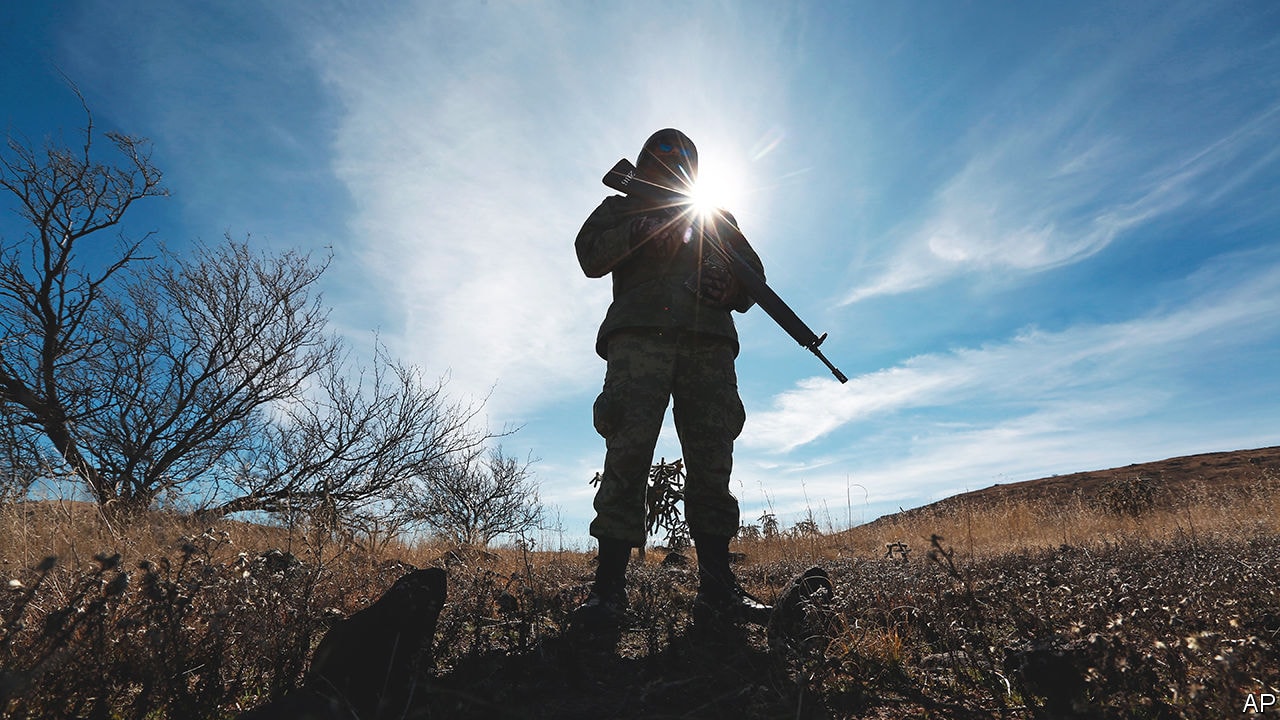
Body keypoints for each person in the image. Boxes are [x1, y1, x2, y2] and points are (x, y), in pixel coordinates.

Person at [573, 128, 771, 631]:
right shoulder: (621, 207)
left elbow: (753, 278)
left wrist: (726, 284)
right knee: (627, 454)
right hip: (639, 338)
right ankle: (608, 592)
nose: (673, 167)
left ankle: (718, 590)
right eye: (662, 160)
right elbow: (590, 256)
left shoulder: (715, 215)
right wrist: (646, 227)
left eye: (682, 161)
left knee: (712, 459)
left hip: (708, 342)